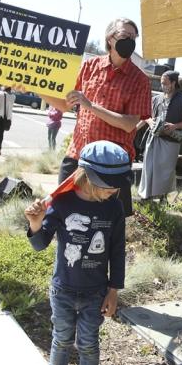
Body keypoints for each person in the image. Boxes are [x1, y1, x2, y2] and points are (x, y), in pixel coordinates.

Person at [24, 140, 129, 365]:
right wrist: (35, 223)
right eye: (108, 185)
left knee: (88, 344)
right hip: (64, 290)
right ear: (89, 177)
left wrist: (113, 290)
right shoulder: (63, 202)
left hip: (96, 292)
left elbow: (117, 251)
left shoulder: (114, 207)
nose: (114, 190)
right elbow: (40, 243)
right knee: (60, 339)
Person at [40, 18, 151, 217]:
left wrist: (90, 105)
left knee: (106, 222)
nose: (130, 41)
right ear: (110, 39)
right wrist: (33, 88)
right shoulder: (89, 67)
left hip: (111, 164)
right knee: (62, 213)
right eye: (125, 36)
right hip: (78, 156)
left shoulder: (139, 80)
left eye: (134, 38)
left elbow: (128, 124)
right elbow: (66, 104)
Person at [138, 70, 182, 200]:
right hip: (153, 139)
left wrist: (175, 126)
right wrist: (149, 122)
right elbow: (146, 116)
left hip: (170, 141)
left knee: (164, 171)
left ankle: (161, 198)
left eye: (165, 83)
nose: (162, 86)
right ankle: (145, 196)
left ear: (173, 83)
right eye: (161, 83)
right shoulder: (156, 99)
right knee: (149, 168)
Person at [0, 86, 15, 155]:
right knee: (1, 133)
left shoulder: (1, 94)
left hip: (0, 116)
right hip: (8, 117)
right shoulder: (13, 96)